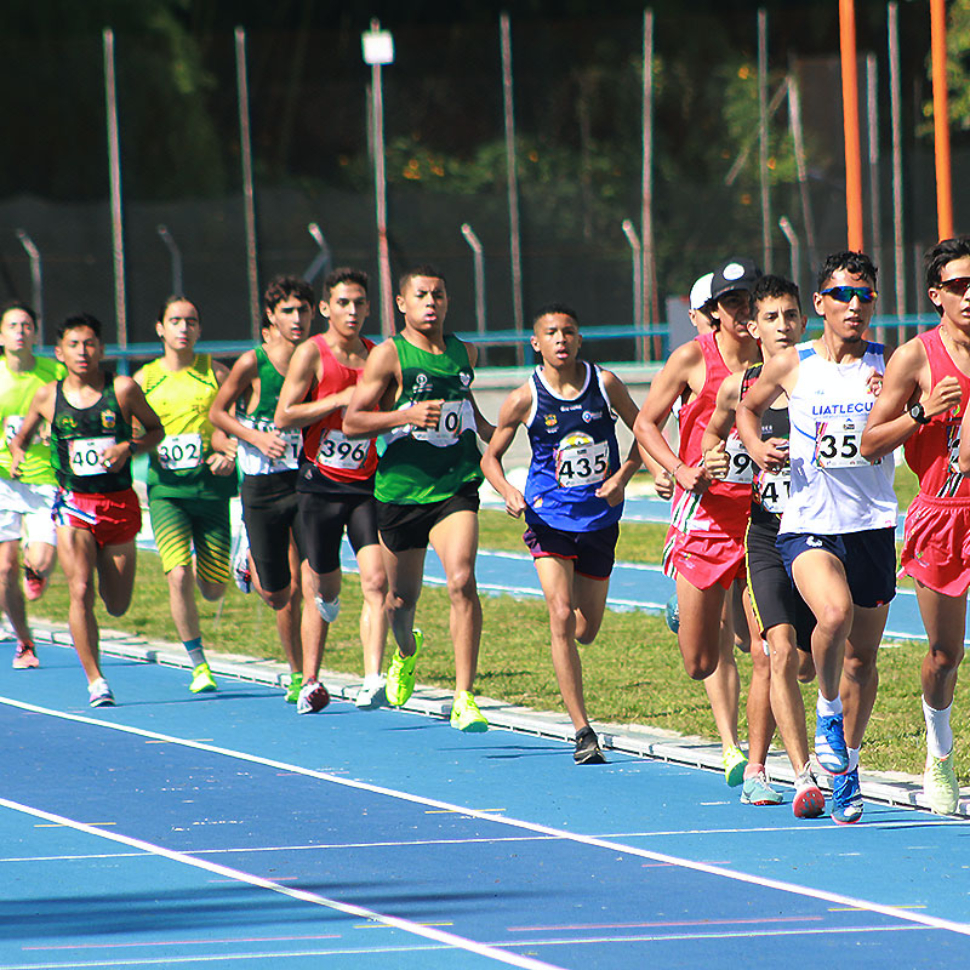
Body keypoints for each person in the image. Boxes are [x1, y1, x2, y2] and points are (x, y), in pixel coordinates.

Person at [736, 251, 895, 825]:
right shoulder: (792, 364)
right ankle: (826, 714)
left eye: (866, 296)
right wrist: (755, 447)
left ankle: (846, 768)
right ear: (821, 304)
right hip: (807, 525)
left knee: (861, 662)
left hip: (872, 525)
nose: (856, 306)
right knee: (832, 617)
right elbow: (746, 411)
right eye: (844, 296)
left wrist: (900, 406)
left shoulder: (890, 362)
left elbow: (922, 417)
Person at [481, 304, 642, 763]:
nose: (561, 339)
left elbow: (644, 433)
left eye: (568, 331)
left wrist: (622, 477)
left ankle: (575, 651)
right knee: (558, 615)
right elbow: (489, 458)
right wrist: (508, 491)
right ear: (537, 343)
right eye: (551, 332)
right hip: (547, 517)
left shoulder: (605, 384)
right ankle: (582, 731)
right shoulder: (523, 397)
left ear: (579, 338)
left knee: (585, 630)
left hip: (599, 520)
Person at [343, 265, 494, 731]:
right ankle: (405, 653)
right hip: (402, 490)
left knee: (461, 581)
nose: (431, 302)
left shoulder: (464, 352)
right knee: (398, 603)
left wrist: (500, 437)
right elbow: (352, 421)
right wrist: (405, 413)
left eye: (439, 294)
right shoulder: (390, 355)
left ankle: (464, 696)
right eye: (422, 295)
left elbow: (468, 413)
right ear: (402, 304)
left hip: (455, 484)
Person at [634, 257, 762, 788]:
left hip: (760, 515)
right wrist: (679, 469)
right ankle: (690, 610)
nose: (742, 311)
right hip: (704, 516)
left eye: (750, 300)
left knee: (769, 649)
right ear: (715, 311)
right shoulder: (693, 359)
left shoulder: (776, 359)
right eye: (732, 302)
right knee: (699, 659)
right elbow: (645, 423)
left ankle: (756, 763)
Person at [701, 275, 824, 816]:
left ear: (804, 319)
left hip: (821, 533)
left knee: (805, 662)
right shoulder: (739, 387)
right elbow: (710, 437)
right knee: (771, 652)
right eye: (771, 318)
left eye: (791, 316)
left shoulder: (822, 377)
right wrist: (710, 460)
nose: (783, 326)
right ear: (753, 327)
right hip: (767, 535)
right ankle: (781, 772)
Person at [863, 236, 970, 815]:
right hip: (944, 514)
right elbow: (868, 442)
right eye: (958, 286)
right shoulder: (916, 357)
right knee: (944, 654)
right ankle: (940, 749)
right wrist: (921, 412)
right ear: (936, 295)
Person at [9, 313, 163, 706]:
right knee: (80, 590)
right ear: (59, 352)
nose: (83, 351)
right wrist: (16, 456)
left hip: (119, 504)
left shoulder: (123, 389)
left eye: (90, 343)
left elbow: (156, 430)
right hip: (73, 505)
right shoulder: (47, 395)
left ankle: (103, 592)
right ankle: (96, 680)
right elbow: (22, 436)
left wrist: (128, 447)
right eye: (74, 345)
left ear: (102, 349)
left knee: (117, 604)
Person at [274, 268, 389, 712]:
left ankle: (372, 677)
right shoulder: (312, 353)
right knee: (321, 588)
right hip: (319, 486)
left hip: (365, 486)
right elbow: (285, 415)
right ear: (326, 308)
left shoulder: (379, 355)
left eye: (360, 303)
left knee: (377, 581)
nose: (353, 311)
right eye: (344, 303)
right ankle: (311, 673)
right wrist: (335, 402)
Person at [209, 276, 321, 705]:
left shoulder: (318, 360)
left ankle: (304, 675)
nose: (298, 319)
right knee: (280, 592)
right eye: (288, 311)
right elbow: (219, 413)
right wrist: (254, 439)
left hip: (306, 480)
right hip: (261, 485)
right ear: (271, 316)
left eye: (304, 310)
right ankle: (250, 560)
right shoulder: (252, 363)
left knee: (312, 579)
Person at [134, 297, 237, 694]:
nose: (183, 328)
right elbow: (129, 430)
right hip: (167, 494)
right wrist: (138, 445)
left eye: (190, 321)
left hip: (211, 491)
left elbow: (231, 422)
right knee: (177, 574)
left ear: (199, 329)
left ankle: (232, 569)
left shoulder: (216, 373)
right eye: (174, 321)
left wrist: (226, 451)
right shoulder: (143, 380)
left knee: (212, 589)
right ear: (160, 328)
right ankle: (199, 665)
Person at [0, 301, 64, 669]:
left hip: (45, 480)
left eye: (27, 325)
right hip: (5, 480)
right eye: (13, 325)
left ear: (35, 333)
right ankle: (25, 642)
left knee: (40, 562)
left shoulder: (53, 373)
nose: (21, 331)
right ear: (2, 334)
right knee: (5, 567)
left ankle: (33, 566)